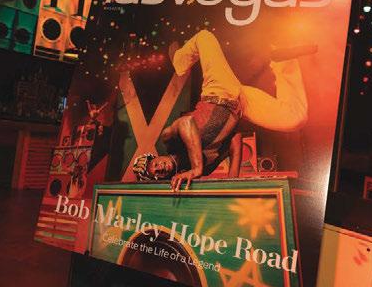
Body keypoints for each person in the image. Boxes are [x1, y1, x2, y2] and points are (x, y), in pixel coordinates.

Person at [133, 29, 316, 191]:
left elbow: (186, 123)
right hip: (242, 106)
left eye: (155, 164)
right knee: (295, 118)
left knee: (205, 37)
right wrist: (232, 180)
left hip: (219, 90)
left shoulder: (170, 140)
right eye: (157, 173)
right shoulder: (205, 168)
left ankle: (179, 60)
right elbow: (234, 140)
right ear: (163, 178)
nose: (159, 168)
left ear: (155, 157)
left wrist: (196, 169)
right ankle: (284, 60)